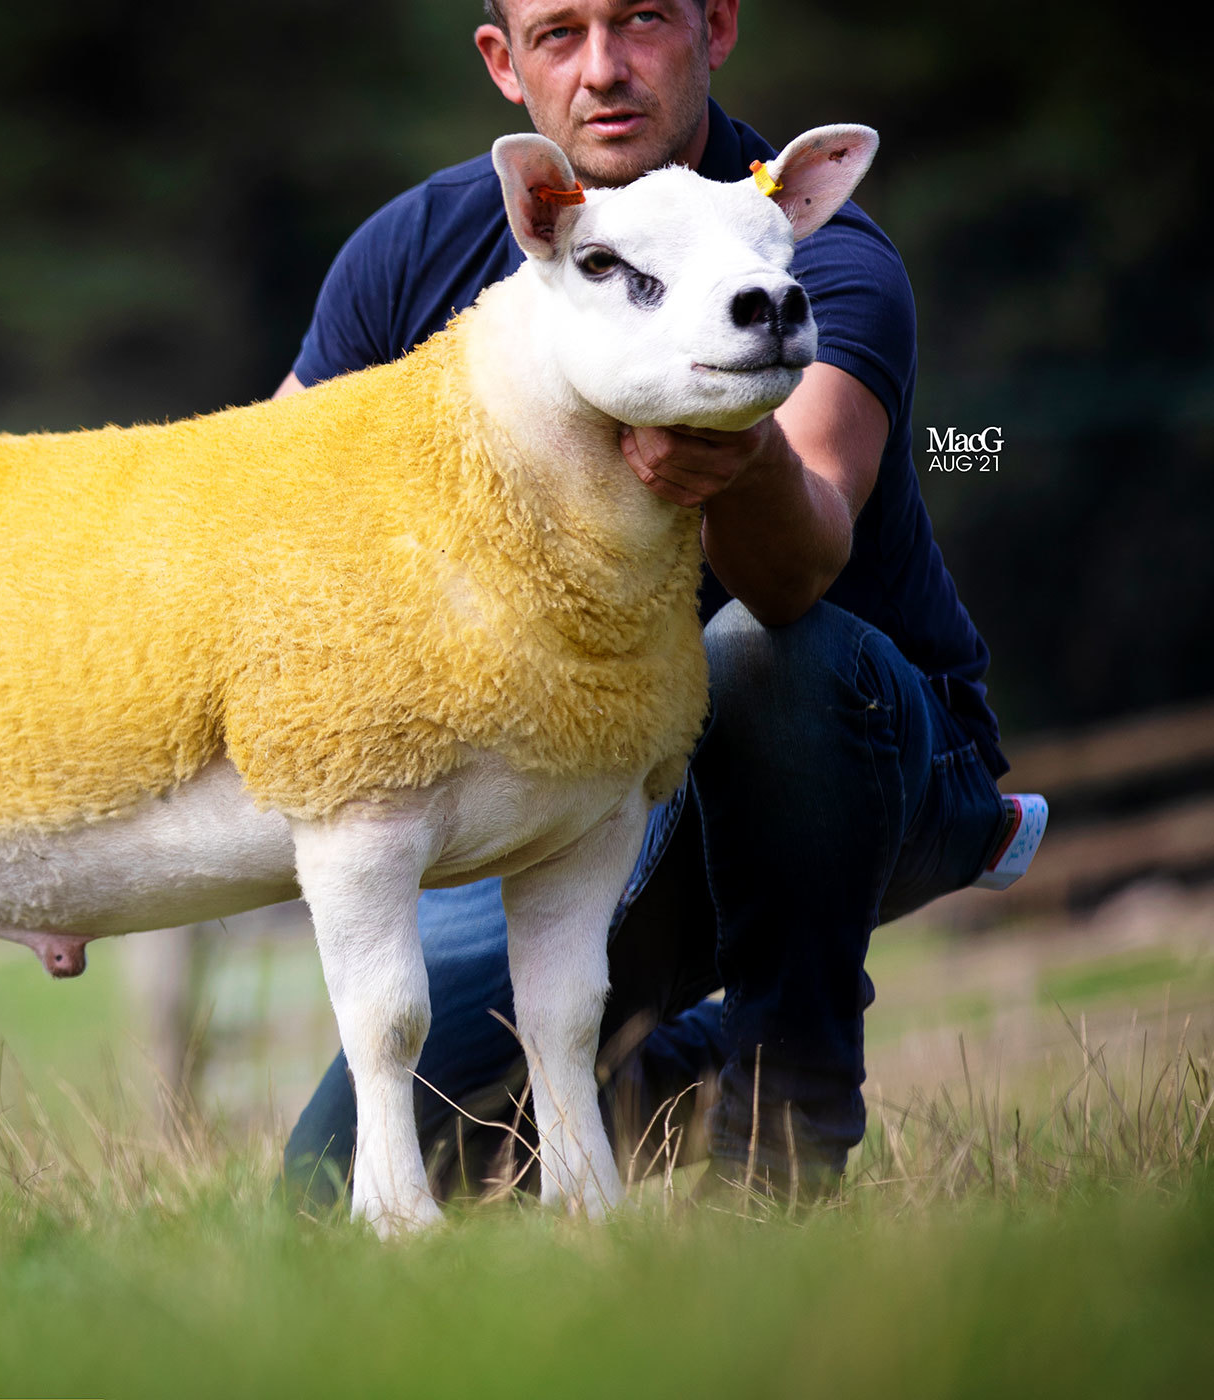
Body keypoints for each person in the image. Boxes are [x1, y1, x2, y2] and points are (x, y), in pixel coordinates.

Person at [276, 0, 1011, 1203]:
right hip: (580, 784)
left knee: (764, 657)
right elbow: (260, 512)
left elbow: (798, 564)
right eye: (560, 33)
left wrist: (742, 460)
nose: (605, 71)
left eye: (643, 21)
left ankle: (784, 1134)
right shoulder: (421, 249)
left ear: (717, 25)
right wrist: (98, 758)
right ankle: (690, 1071)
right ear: (502, 64)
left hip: (870, 753)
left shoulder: (803, 246)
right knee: (330, 1186)